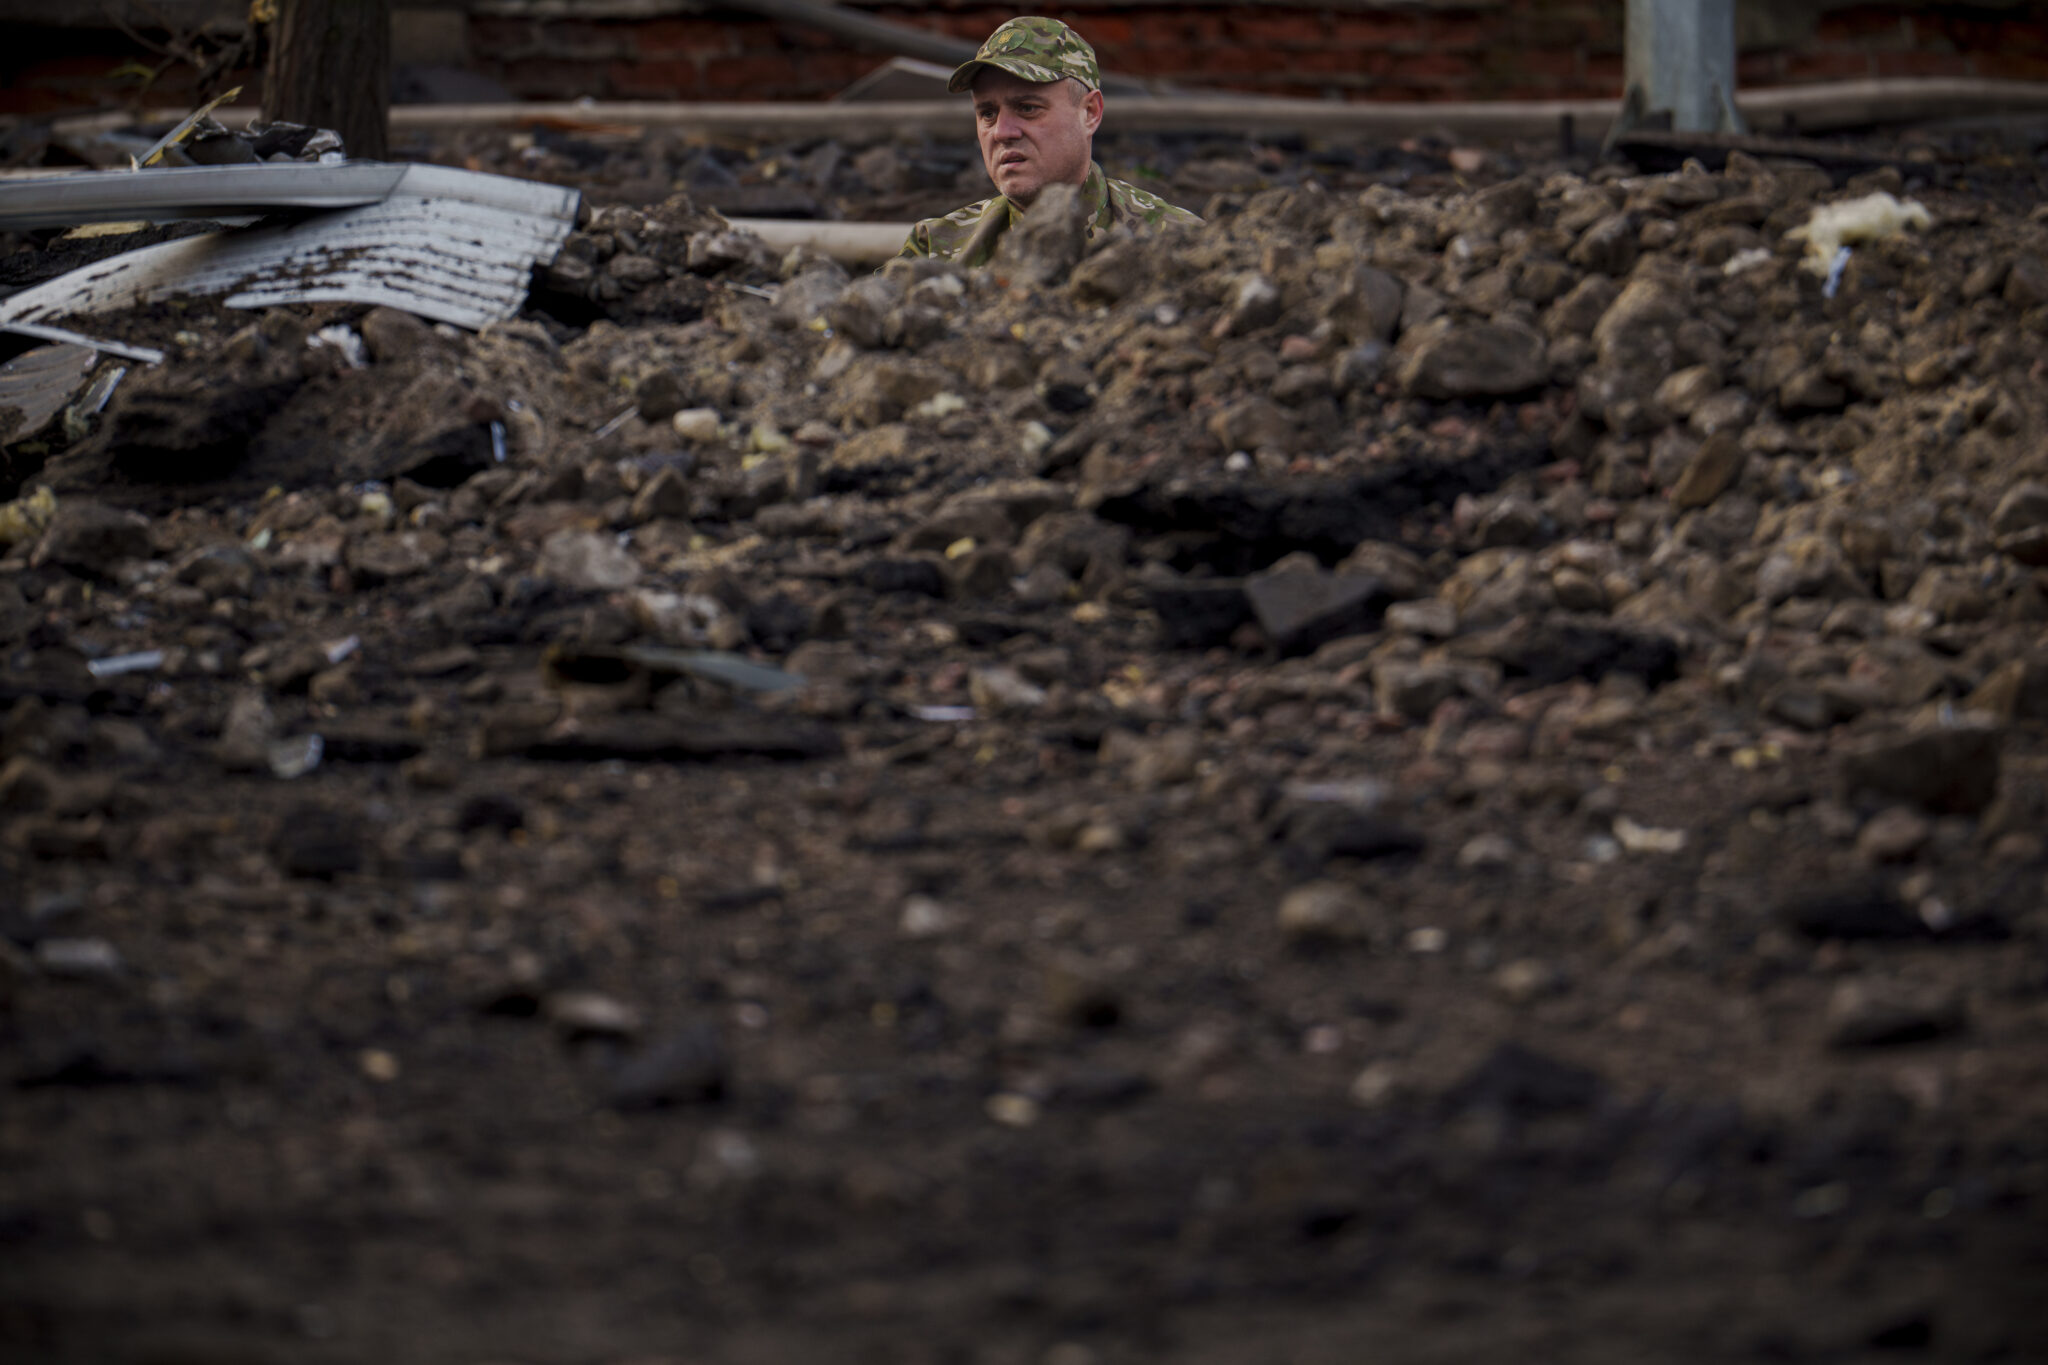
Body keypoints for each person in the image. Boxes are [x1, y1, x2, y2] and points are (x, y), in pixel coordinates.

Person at [899, 16, 1200, 266]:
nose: (1002, 132)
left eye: (1027, 108)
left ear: (1090, 113)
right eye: (987, 113)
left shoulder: (1173, 242)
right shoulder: (933, 250)